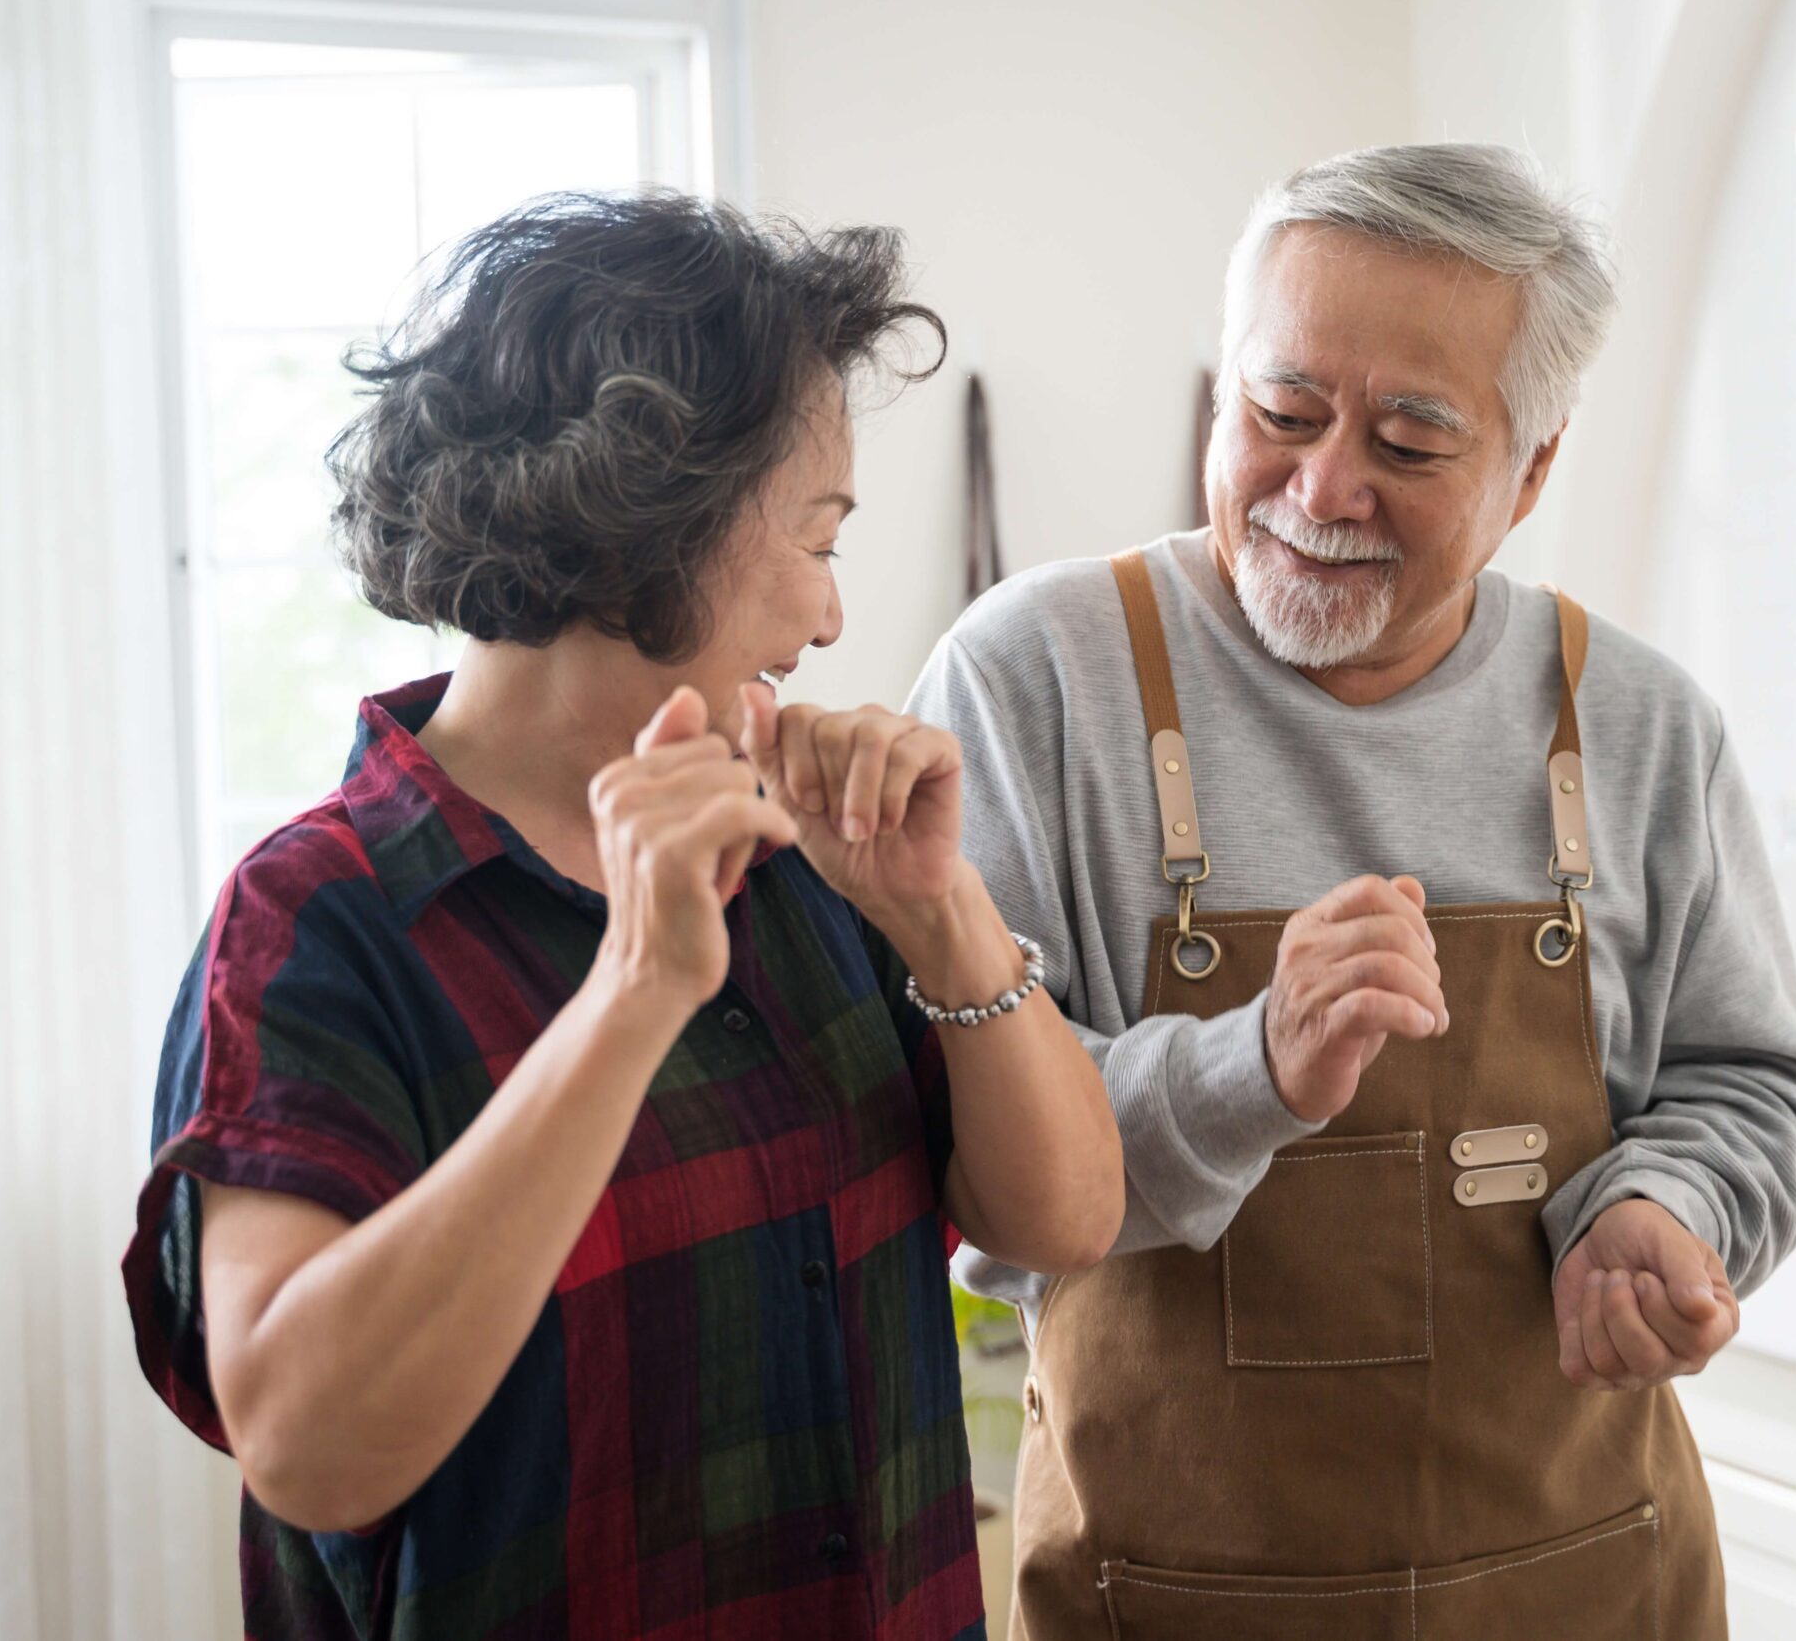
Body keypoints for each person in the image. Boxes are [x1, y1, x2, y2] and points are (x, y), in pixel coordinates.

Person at [122, 191, 1123, 1641]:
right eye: (817, 536)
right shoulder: (316, 924)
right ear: (661, 514)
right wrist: (634, 991)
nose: (833, 619)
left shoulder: (801, 855)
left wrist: (941, 912)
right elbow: (306, 1445)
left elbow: (1068, 1218)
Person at [906, 144, 1796, 1639]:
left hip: (1586, 1589)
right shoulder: (1036, 680)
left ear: (1532, 469)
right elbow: (970, 1181)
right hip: (1164, 1603)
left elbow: (1767, 1087)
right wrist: (1248, 1069)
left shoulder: (1639, 723)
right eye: (1282, 413)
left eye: (1410, 445)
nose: (1320, 487)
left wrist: (1670, 1206)